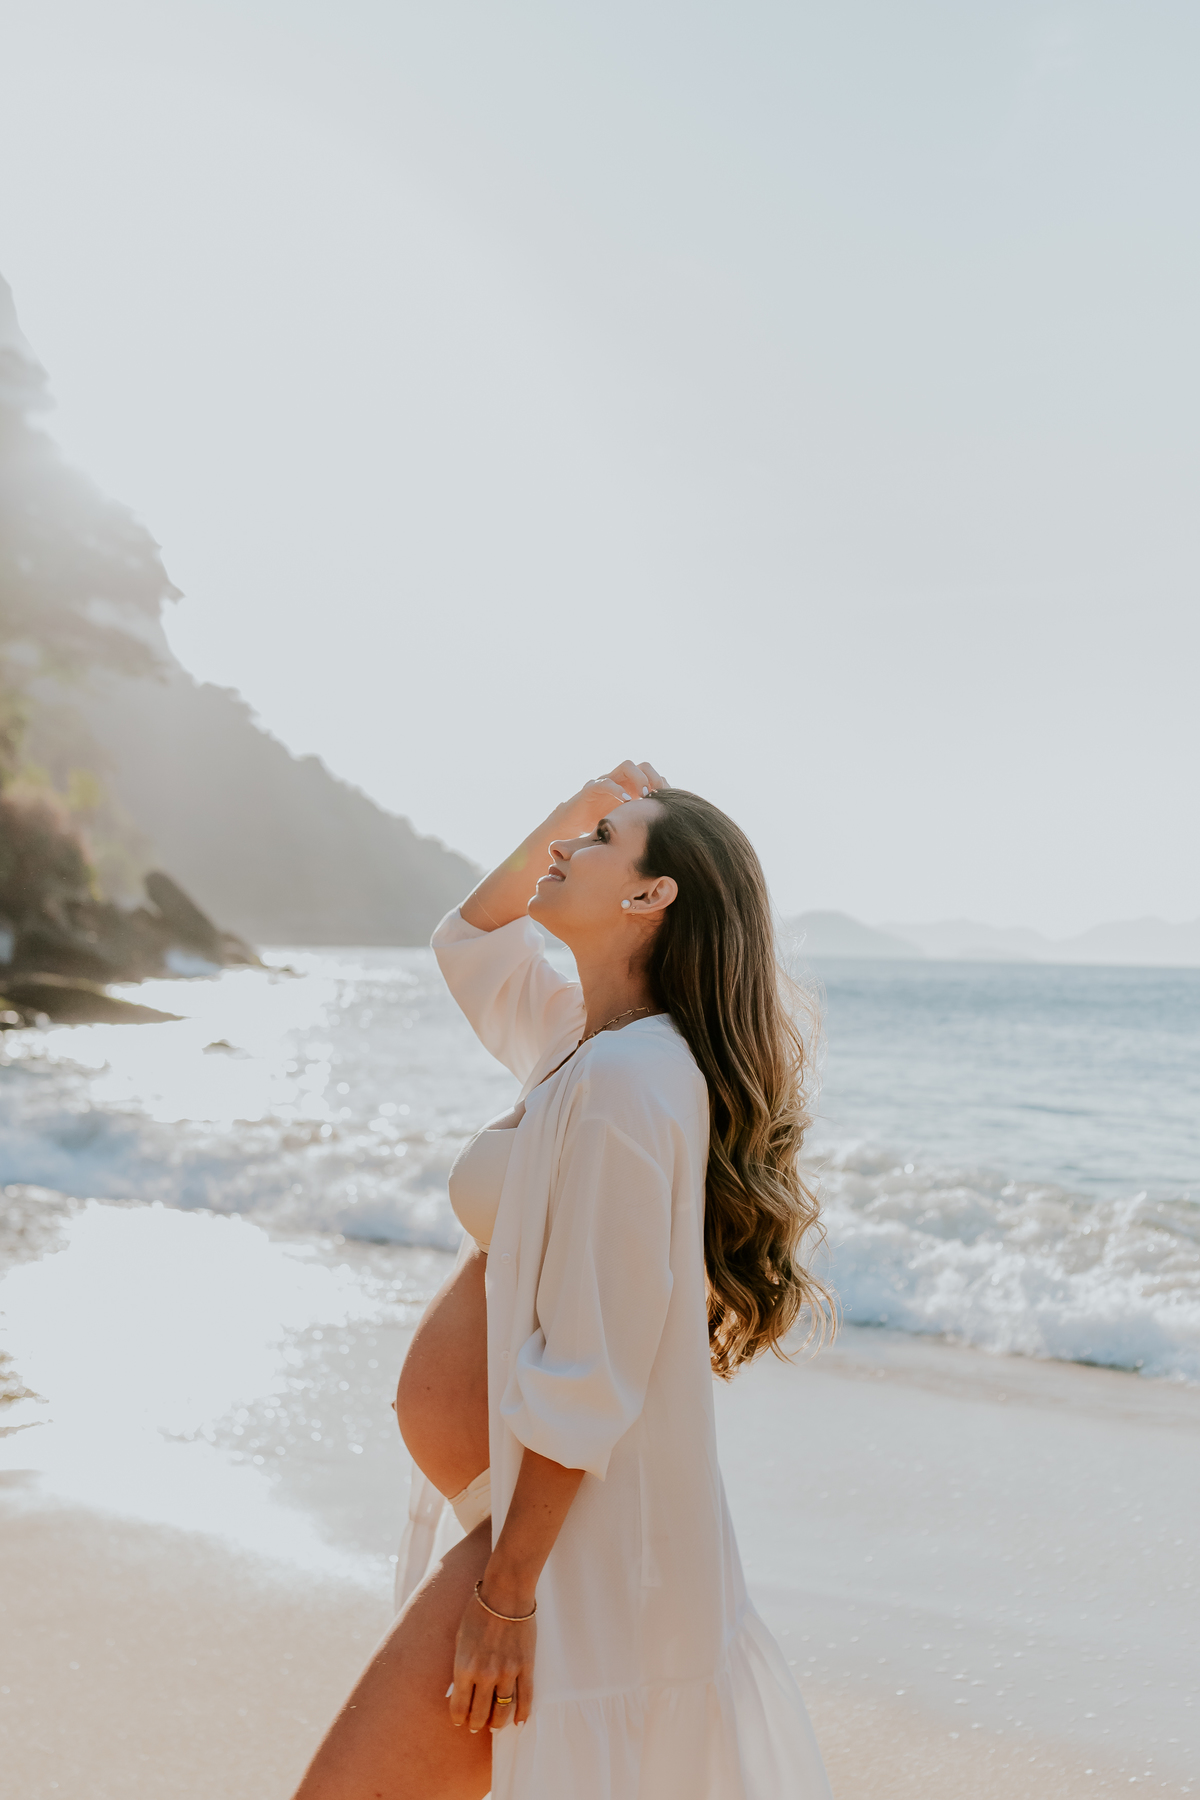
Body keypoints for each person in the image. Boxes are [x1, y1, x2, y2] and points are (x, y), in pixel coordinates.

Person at [293, 760, 834, 1800]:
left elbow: (592, 1368)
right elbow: (469, 938)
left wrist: (508, 1596)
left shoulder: (634, 1085)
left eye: (599, 841)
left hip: (569, 1554)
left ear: (649, 896)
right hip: (530, 1529)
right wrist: (565, 814)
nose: (565, 851)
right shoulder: (583, 1043)